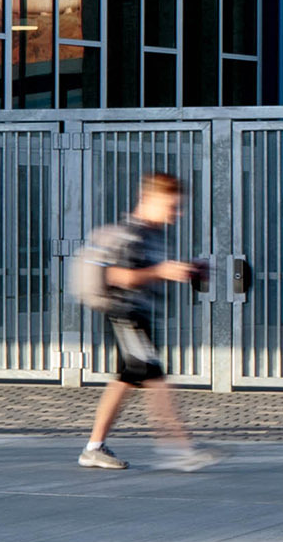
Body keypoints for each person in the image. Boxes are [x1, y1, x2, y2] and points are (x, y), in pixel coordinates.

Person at [77, 170, 212, 471]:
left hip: (141, 315)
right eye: (171, 205)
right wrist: (161, 272)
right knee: (155, 377)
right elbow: (114, 276)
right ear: (148, 199)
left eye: (178, 206)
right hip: (126, 314)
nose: (176, 212)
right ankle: (180, 449)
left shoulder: (154, 234)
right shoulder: (130, 235)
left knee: (125, 379)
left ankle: (93, 448)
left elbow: (150, 271)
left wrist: (188, 269)